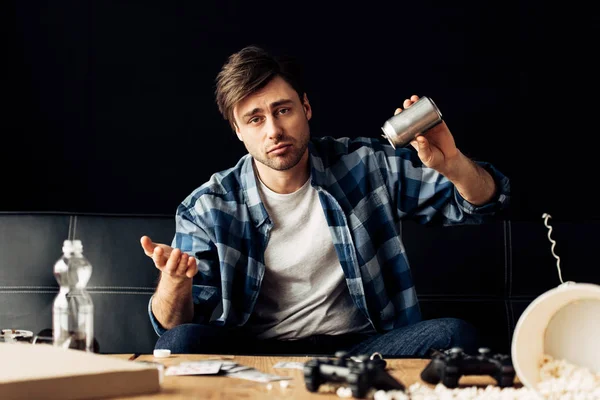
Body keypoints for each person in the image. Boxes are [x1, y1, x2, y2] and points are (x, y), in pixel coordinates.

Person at [140, 45, 510, 357]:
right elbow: (171, 327)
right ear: (238, 131)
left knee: (455, 335)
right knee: (177, 342)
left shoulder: (365, 166)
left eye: (282, 110)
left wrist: (455, 165)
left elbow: (480, 203)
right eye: (254, 119)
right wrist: (175, 281)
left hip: (363, 348)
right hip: (256, 351)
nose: (273, 130)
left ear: (306, 108)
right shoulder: (208, 206)